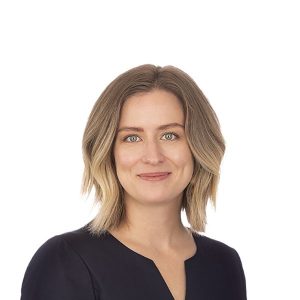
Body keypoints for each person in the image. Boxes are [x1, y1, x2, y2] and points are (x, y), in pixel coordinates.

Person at [21, 64, 247, 300]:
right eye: (132, 137)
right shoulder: (65, 262)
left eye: (170, 135)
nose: (153, 156)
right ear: (108, 151)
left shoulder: (224, 264)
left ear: (198, 147)